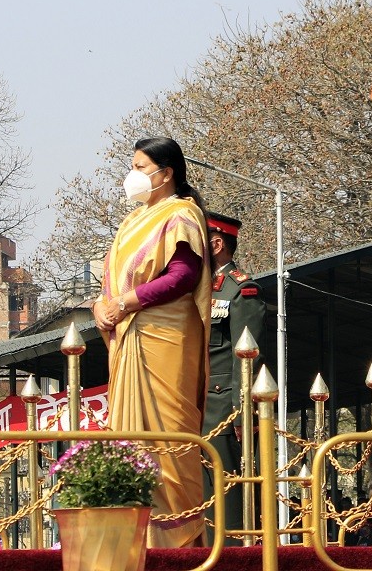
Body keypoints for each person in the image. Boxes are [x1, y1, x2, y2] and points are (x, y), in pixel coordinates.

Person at [91, 137, 213, 548]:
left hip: (165, 337)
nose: (135, 176)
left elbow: (182, 277)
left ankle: (180, 540)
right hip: (128, 334)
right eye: (134, 166)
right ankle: (134, 535)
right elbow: (112, 281)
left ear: (167, 173)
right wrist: (102, 308)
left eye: (142, 168)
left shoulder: (182, 214)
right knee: (129, 438)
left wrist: (126, 302)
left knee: (168, 440)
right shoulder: (132, 221)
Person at [201, 211, 270, 545]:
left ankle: (229, 556)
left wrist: (241, 411)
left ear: (215, 244)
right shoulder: (197, 290)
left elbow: (247, 357)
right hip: (193, 403)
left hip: (222, 404)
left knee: (224, 491)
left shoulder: (242, 290)